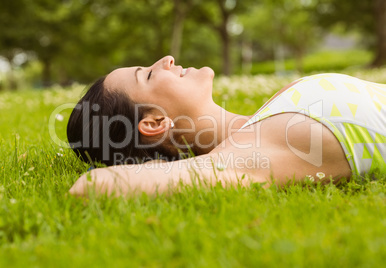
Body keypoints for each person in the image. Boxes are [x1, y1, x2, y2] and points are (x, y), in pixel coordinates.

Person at [67, 56, 386, 197]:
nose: (166, 59)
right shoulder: (253, 153)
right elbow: (92, 186)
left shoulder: (273, 113)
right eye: (149, 75)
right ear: (154, 123)